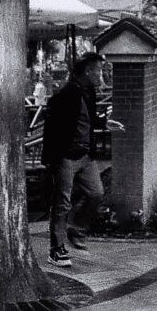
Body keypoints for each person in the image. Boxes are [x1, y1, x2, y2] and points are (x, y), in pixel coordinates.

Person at [42, 52, 106, 268]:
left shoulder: (89, 91)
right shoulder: (66, 93)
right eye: (98, 70)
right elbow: (51, 123)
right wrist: (52, 157)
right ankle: (56, 249)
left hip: (86, 156)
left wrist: (105, 124)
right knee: (62, 202)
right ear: (88, 71)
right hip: (66, 157)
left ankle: (77, 230)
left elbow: (88, 118)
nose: (101, 74)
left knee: (96, 193)